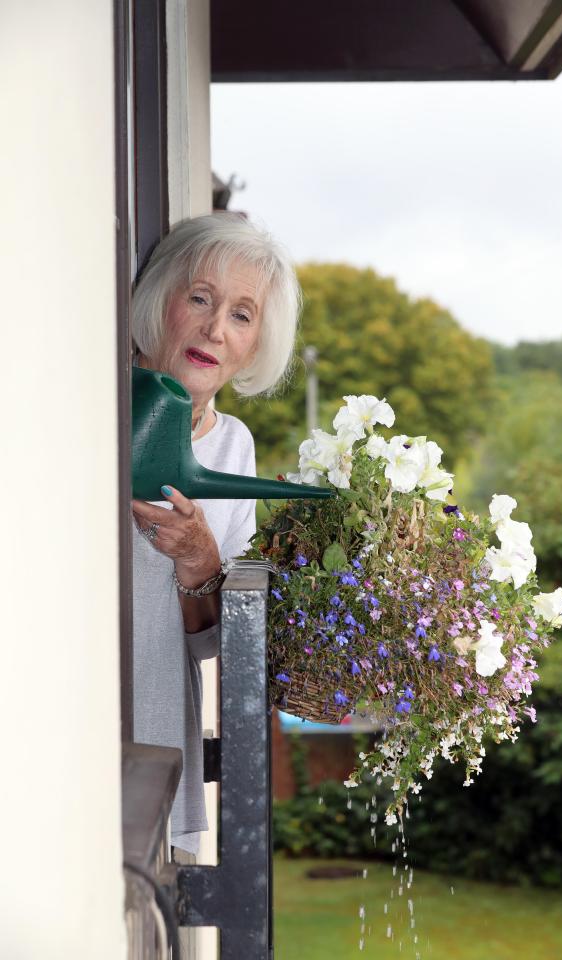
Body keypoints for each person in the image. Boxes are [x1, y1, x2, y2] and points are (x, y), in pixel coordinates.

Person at [131, 213, 299, 855]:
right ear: (159, 300)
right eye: (200, 298)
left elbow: (208, 642)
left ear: (256, 345)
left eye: (241, 314)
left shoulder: (231, 446)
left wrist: (201, 561)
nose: (215, 329)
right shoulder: (89, 398)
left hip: (156, 751)